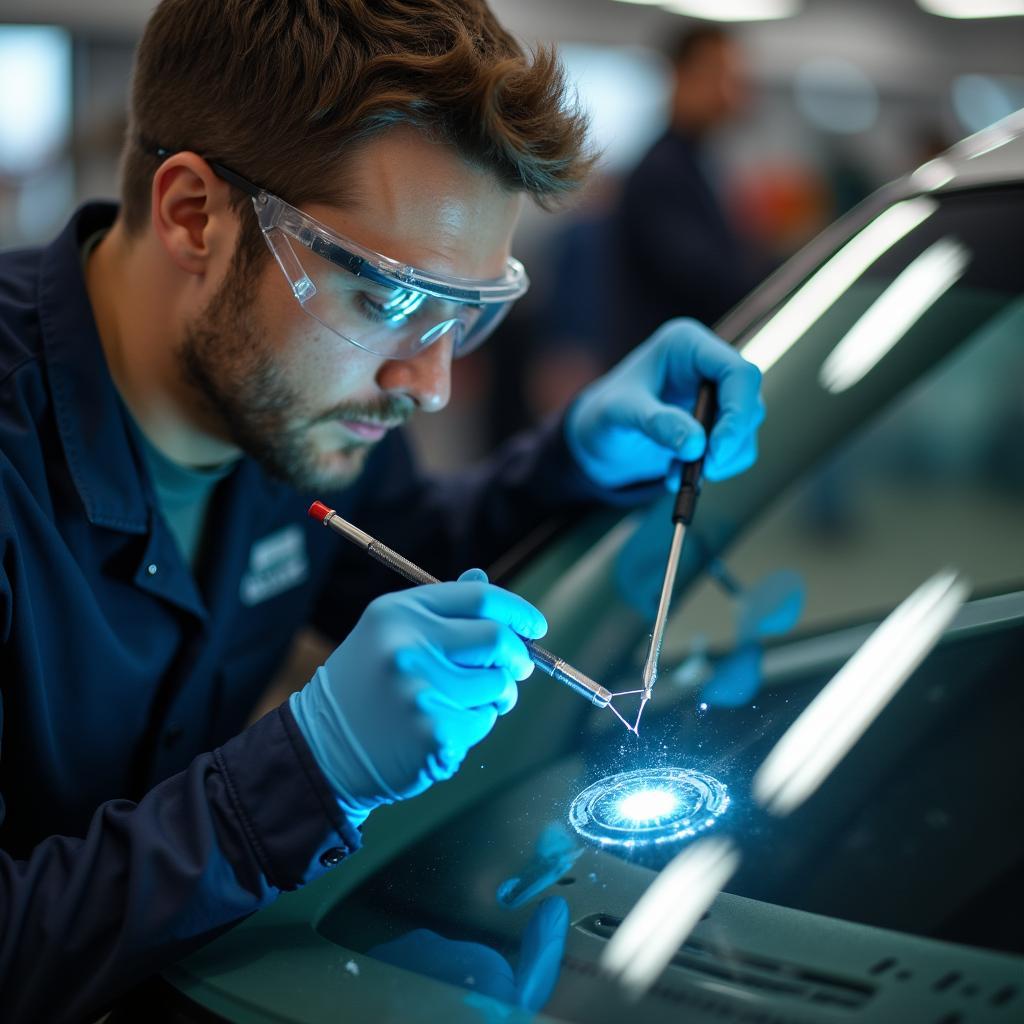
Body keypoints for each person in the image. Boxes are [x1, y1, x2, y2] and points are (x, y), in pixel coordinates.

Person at [0, 2, 764, 1020]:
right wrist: (302, 773)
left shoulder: (288, 390)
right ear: (194, 214)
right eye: (392, 301)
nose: (432, 385)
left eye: (469, 312)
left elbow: (416, 550)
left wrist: (573, 459)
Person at [604, 25, 760, 363]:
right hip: (660, 370)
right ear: (679, 75)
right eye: (716, 75)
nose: (727, 94)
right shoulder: (661, 171)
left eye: (733, 79)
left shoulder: (697, 164)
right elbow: (701, 279)